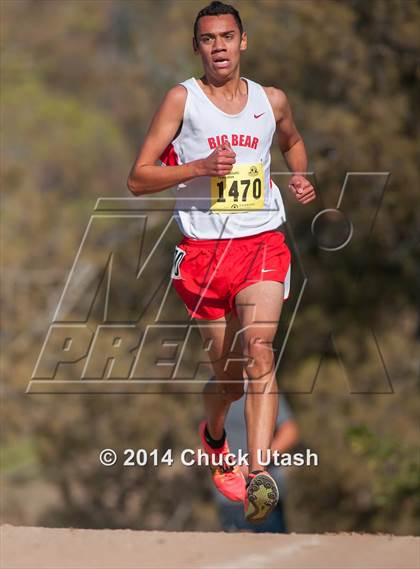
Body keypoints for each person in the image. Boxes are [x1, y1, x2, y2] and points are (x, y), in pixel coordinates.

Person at [127, 0, 315, 524]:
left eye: (227, 37)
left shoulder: (270, 100)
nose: (219, 47)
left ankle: (258, 476)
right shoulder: (182, 101)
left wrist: (300, 175)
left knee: (260, 350)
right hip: (204, 255)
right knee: (229, 381)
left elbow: (294, 143)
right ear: (198, 48)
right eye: (208, 39)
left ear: (243, 41)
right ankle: (214, 439)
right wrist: (199, 166)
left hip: (262, 243)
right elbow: (138, 179)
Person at [214, 391, 299, 532]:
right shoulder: (213, 390)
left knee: (269, 547)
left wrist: (255, 464)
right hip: (228, 495)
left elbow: (289, 431)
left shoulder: (263, 388)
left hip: (263, 494)